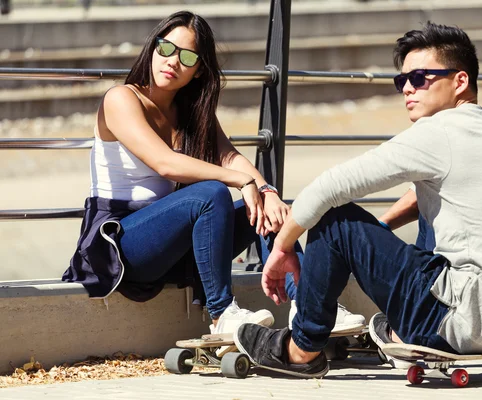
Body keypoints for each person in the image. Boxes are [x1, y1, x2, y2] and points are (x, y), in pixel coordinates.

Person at [232, 21, 482, 378]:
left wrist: (281, 248)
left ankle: (300, 349)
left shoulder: (438, 132)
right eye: (402, 81)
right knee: (420, 206)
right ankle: (399, 332)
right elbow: (422, 196)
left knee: (333, 218)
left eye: (420, 78)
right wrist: (371, 242)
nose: (407, 90)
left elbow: (327, 188)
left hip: (461, 322)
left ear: (460, 81)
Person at [61, 11, 364, 341]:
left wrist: (266, 190)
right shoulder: (121, 98)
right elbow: (164, 163)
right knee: (211, 193)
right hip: (121, 244)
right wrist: (240, 182)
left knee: (265, 208)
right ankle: (221, 315)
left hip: (169, 244)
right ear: (152, 48)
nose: (172, 61)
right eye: (166, 49)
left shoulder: (190, 112)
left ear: (198, 70)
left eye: (186, 56)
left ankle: (309, 305)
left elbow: (230, 157)